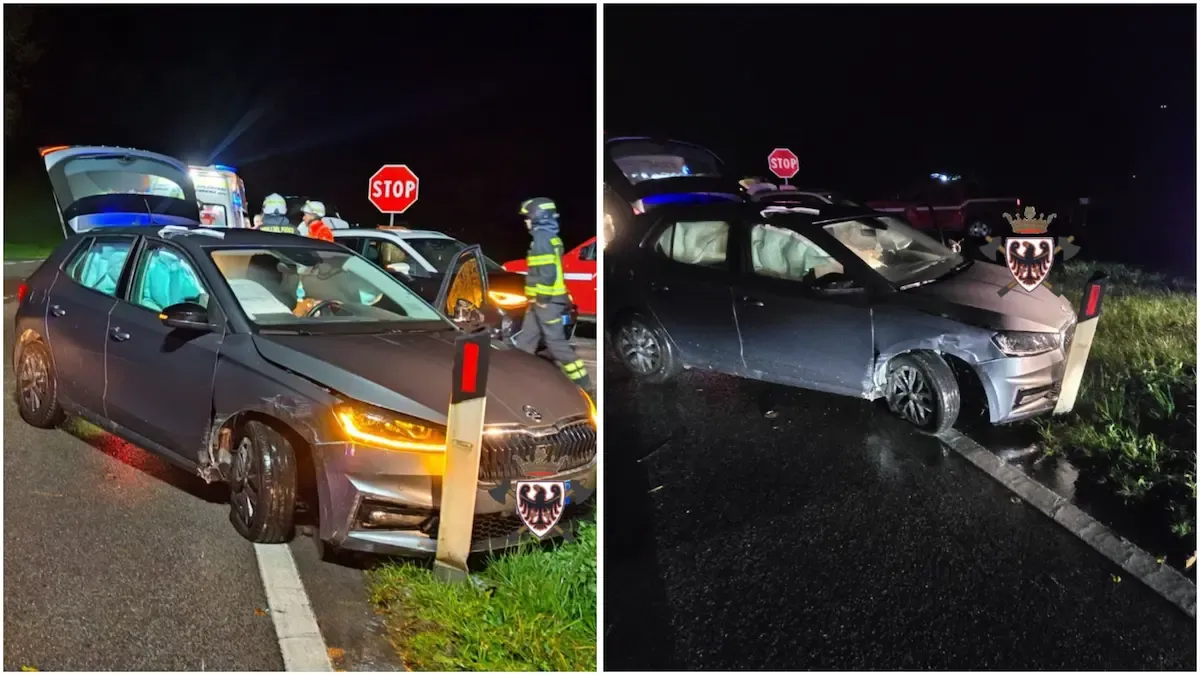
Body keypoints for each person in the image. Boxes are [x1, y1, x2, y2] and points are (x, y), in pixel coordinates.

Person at [512, 198, 593, 394]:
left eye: (528, 217)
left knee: (556, 344)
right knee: (525, 342)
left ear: (538, 217)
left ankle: (584, 385)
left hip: (546, 302)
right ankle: (517, 381)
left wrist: (541, 299)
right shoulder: (550, 237)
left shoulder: (542, 239)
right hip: (539, 302)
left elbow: (547, 273)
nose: (526, 221)